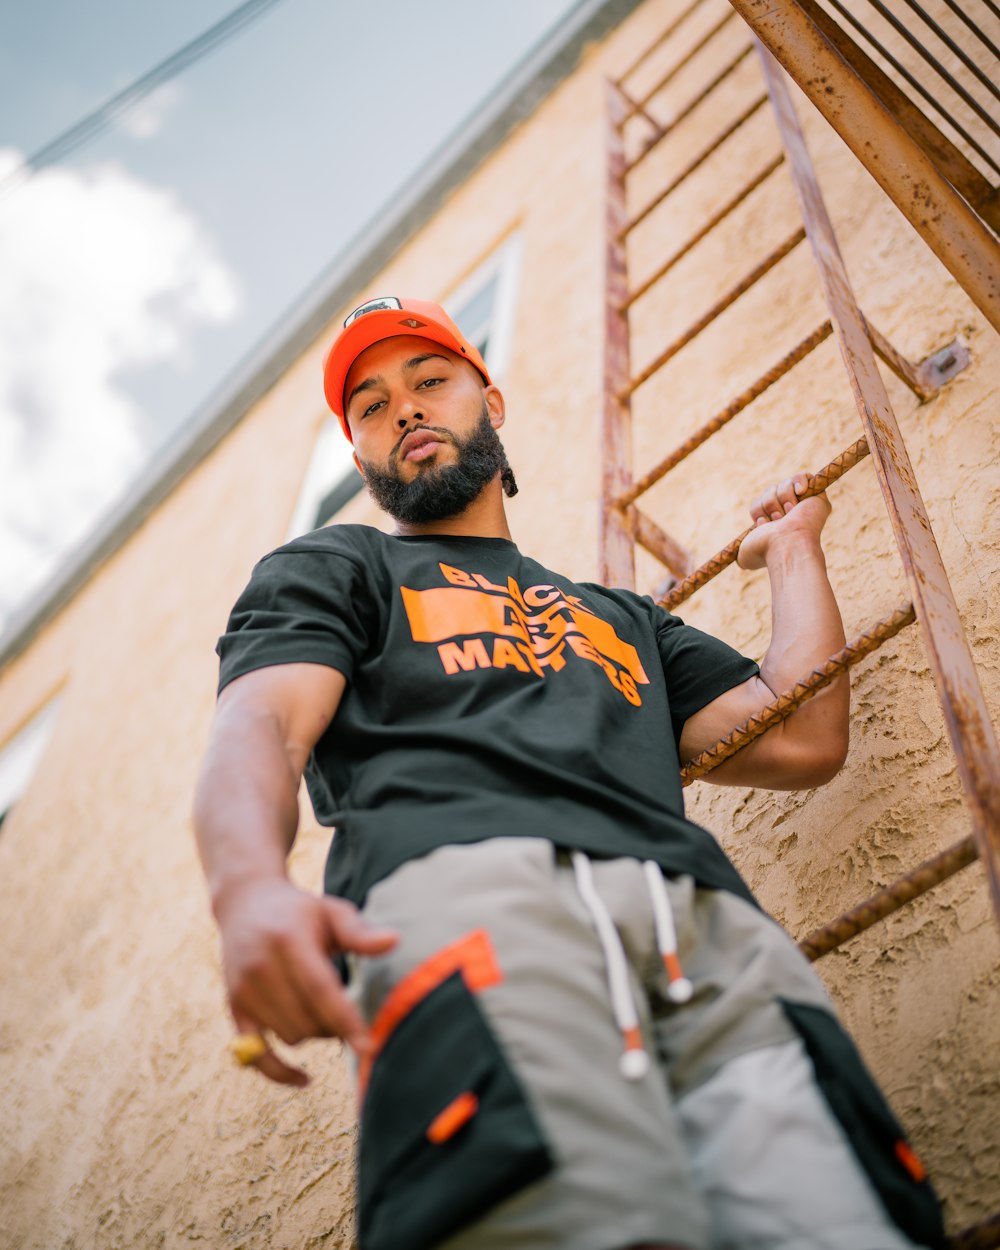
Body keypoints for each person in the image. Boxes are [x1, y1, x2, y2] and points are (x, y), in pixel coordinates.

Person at [192, 297, 945, 1250]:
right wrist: (247, 888)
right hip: (466, 907)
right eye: (373, 407)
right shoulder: (339, 565)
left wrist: (792, 549)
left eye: (430, 382)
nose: (407, 412)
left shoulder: (622, 616)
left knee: (843, 1223)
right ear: (361, 459)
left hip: (700, 920)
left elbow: (801, 736)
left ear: (490, 401)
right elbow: (259, 719)